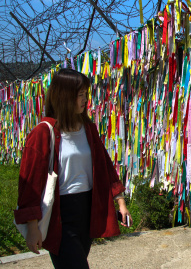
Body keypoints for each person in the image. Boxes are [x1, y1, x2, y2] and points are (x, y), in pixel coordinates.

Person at [14, 68, 132, 268]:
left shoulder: (88, 129)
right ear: (64, 96)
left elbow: (105, 167)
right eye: (80, 95)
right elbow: (30, 183)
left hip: (89, 210)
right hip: (60, 215)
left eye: (86, 94)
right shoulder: (43, 133)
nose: (85, 100)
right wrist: (32, 226)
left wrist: (120, 203)